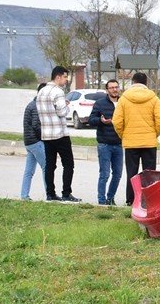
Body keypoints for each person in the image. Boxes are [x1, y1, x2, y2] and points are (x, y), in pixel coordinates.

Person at [113, 71, 160, 206]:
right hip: (149, 142)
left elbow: (117, 121)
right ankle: (148, 201)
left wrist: (123, 135)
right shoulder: (153, 98)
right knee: (149, 173)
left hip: (131, 143)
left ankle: (131, 200)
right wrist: (154, 133)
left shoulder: (124, 99)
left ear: (132, 82)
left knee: (132, 173)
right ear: (146, 83)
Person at [36, 66, 80, 202]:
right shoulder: (58, 92)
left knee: (50, 165)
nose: (66, 80)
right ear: (58, 77)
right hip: (60, 134)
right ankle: (66, 193)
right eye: (65, 77)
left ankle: (50, 193)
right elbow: (62, 112)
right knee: (68, 164)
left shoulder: (41, 92)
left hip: (46, 134)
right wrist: (66, 106)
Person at [88, 79, 123, 205]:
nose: (114, 89)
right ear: (107, 90)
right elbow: (91, 119)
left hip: (119, 144)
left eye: (116, 87)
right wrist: (101, 121)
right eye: (111, 87)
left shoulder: (123, 103)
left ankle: (110, 198)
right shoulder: (100, 103)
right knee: (105, 174)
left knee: (118, 174)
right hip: (104, 144)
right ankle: (101, 201)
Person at [20, 82, 47, 200]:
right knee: (47, 167)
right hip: (36, 142)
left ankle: (24, 195)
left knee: (29, 171)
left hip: (29, 142)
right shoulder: (37, 106)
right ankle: (50, 194)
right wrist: (46, 137)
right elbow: (37, 125)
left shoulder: (32, 104)